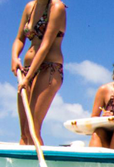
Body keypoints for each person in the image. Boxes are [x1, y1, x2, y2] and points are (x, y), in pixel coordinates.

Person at [11, 0, 67, 146]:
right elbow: (19, 38)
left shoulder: (57, 7)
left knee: (32, 129)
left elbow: (45, 45)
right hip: (27, 69)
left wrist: (28, 78)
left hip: (49, 68)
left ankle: (38, 166)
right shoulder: (30, 7)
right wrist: (15, 57)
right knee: (24, 133)